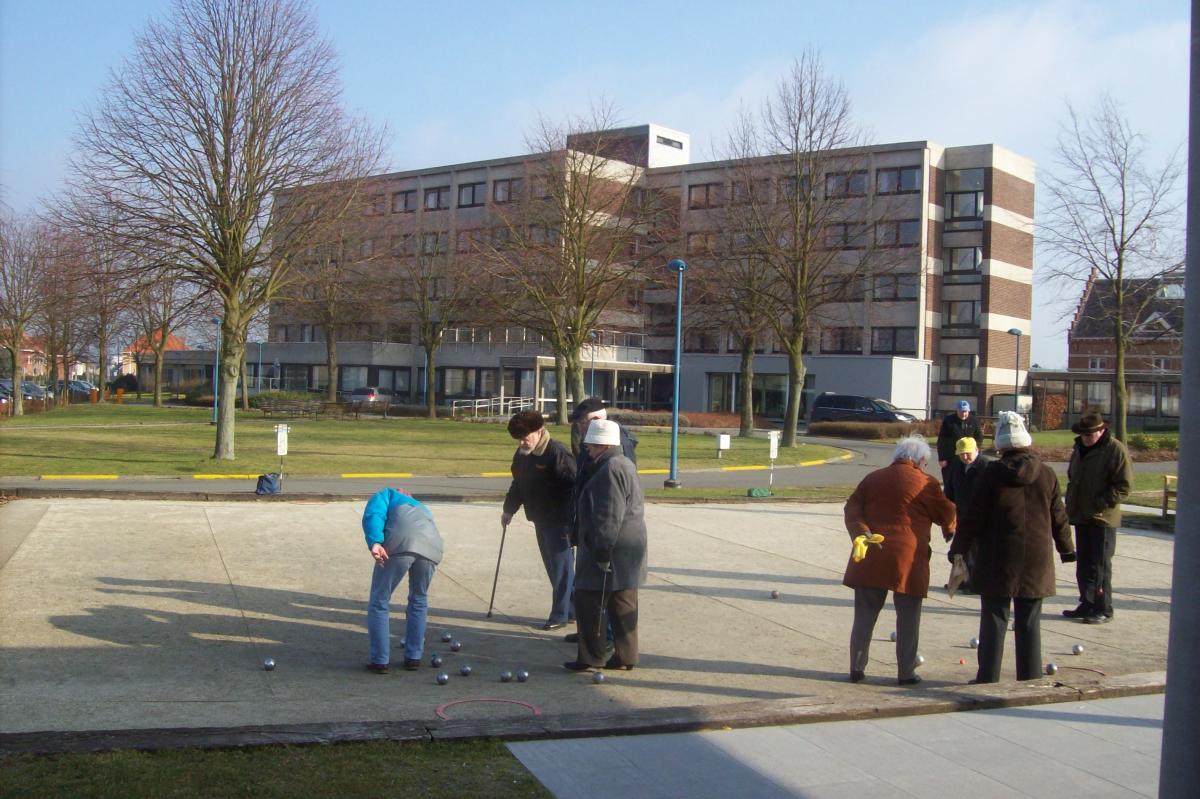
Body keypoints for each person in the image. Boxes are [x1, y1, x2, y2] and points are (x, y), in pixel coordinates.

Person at [950, 412, 1075, 683]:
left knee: (994, 619)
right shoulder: (1047, 474)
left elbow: (974, 516)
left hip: (998, 557)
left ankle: (988, 678)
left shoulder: (990, 474)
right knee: (1029, 622)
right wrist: (1067, 549)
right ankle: (1029, 679)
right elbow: (1059, 516)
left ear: (1001, 445)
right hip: (1036, 559)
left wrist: (958, 549)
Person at [842, 434, 956, 686]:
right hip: (908, 557)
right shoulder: (926, 482)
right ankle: (906, 672)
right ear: (920, 461)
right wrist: (950, 528)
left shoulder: (872, 478)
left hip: (871, 552)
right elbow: (946, 512)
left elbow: (851, 509)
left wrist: (863, 533)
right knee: (908, 616)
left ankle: (857, 668)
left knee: (864, 614)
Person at [564, 418, 647, 672]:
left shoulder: (609, 469)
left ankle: (591, 656)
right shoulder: (624, 464)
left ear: (601, 445)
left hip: (610, 550)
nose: (586, 449)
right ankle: (626, 656)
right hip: (630, 550)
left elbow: (607, 517)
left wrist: (601, 553)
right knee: (623, 603)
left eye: (590, 445)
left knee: (587, 599)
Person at [501, 409, 578, 630]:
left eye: (526, 437)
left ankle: (560, 615)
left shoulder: (557, 453)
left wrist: (569, 523)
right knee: (553, 568)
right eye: (519, 439)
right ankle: (571, 610)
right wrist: (509, 509)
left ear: (539, 431)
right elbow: (518, 483)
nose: (522, 442)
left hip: (559, 521)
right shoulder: (522, 454)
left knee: (563, 569)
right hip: (539, 518)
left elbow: (572, 489)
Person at [362, 488, 444, 673]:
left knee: (379, 601)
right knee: (419, 599)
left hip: (400, 543)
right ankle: (414, 656)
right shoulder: (422, 508)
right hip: (432, 548)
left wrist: (375, 541)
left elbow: (374, 513)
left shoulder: (387, 494)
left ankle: (380, 660)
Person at [1063, 412, 1133, 625]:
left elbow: (1124, 485)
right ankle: (1086, 602)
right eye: (1083, 434)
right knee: (1083, 564)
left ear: (1101, 431)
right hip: (1081, 515)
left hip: (1102, 518)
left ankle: (1103, 608)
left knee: (1100, 565)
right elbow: (1073, 477)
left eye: (1090, 434)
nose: (1086, 437)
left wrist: (1101, 502)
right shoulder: (1079, 449)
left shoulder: (1114, 450)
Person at [944, 436, 993, 593]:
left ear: (977, 450)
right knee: (962, 550)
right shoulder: (956, 466)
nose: (965, 457)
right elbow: (949, 490)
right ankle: (963, 580)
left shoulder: (986, 466)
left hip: (982, 516)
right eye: (961, 454)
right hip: (963, 514)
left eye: (967, 453)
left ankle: (976, 582)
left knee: (978, 551)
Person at [936, 400, 983, 489]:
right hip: (952, 455)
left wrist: (976, 447)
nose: (963, 414)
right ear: (957, 410)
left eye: (965, 412)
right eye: (961, 411)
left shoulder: (974, 421)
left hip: (970, 456)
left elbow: (979, 436)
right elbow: (942, 440)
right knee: (950, 481)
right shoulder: (949, 421)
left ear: (968, 411)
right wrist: (942, 458)